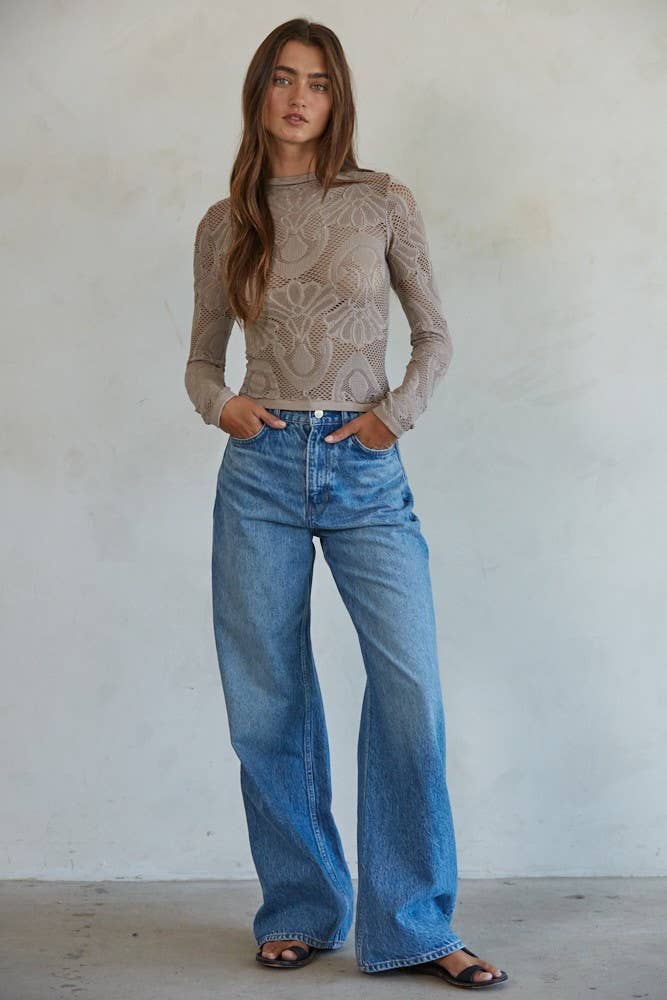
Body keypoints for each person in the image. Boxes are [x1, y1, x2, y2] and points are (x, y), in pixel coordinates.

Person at [184, 17, 508, 989]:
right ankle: (300, 909)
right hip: (259, 470)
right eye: (283, 79)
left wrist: (389, 420)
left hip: (364, 471)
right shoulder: (226, 221)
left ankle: (413, 924)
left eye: (318, 83)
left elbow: (434, 336)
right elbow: (201, 359)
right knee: (267, 700)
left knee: (409, 691)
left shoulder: (381, 202)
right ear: (258, 92)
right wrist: (220, 405)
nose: (299, 98)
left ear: (338, 99)